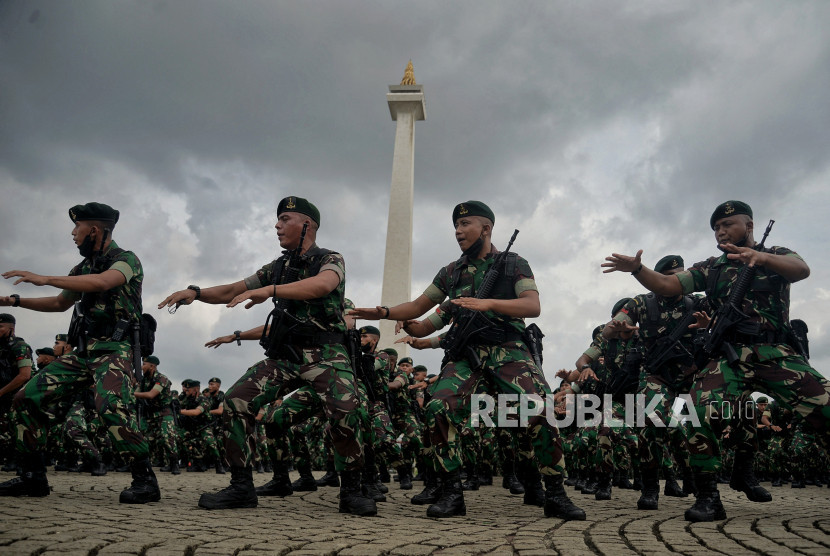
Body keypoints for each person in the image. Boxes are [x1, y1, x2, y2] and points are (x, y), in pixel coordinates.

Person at [352, 200, 585, 520]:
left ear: (486, 228)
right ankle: (451, 492)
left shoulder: (513, 264)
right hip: (466, 356)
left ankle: (555, 494)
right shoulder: (452, 272)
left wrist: (486, 303)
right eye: (456, 227)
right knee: (438, 406)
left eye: (466, 225)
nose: (459, 232)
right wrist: (389, 315)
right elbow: (421, 314)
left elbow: (532, 306)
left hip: (508, 349)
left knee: (542, 408)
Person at [602, 200, 830, 522]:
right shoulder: (711, 267)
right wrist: (638, 270)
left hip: (775, 353)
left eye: (728, 225)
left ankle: (743, 472)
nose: (721, 232)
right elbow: (668, 284)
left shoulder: (776, 254)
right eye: (716, 229)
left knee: (825, 406)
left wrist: (761, 257)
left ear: (749, 226)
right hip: (729, 357)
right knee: (699, 413)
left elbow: (802, 270)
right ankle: (708, 497)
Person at [159, 196, 375, 515]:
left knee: (346, 410)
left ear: (307, 225)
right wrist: (197, 293)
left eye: (285, 219)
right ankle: (241, 487)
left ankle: (353, 490)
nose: (277, 225)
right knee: (236, 401)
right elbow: (235, 288)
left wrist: (271, 291)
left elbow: (322, 285)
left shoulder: (330, 259)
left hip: (327, 355)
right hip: (286, 356)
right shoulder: (279, 267)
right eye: (277, 219)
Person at [0, 202, 159, 503]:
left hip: (116, 349)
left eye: (78, 228)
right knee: (26, 397)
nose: (73, 234)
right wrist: (15, 301)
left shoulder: (126, 260)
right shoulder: (82, 268)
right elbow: (61, 303)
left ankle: (145, 480)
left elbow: (103, 282)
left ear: (95, 230)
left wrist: (44, 277)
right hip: (85, 352)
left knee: (110, 405)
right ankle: (32, 478)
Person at [134, 356, 179, 474]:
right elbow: (137, 393)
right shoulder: (144, 380)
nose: (141, 367)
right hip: (150, 414)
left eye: (144, 364)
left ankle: (174, 464)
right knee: (146, 439)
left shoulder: (162, 379)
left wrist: (132, 394)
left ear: (152, 366)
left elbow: (151, 395)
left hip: (164, 413)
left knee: (167, 438)